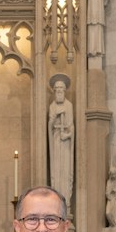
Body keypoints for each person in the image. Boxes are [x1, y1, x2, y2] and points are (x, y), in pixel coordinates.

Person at [47, 76, 75, 204]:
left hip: (65, 144)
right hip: (56, 141)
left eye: (61, 90)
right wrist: (54, 118)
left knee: (65, 170)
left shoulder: (69, 105)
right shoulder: (52, 106)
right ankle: (55, 199)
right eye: (57, 90)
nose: (59, 92)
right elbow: (49, 125)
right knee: (56, 170)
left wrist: (68, 135)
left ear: (64, 91)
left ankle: (66, 201)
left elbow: (72, 127)